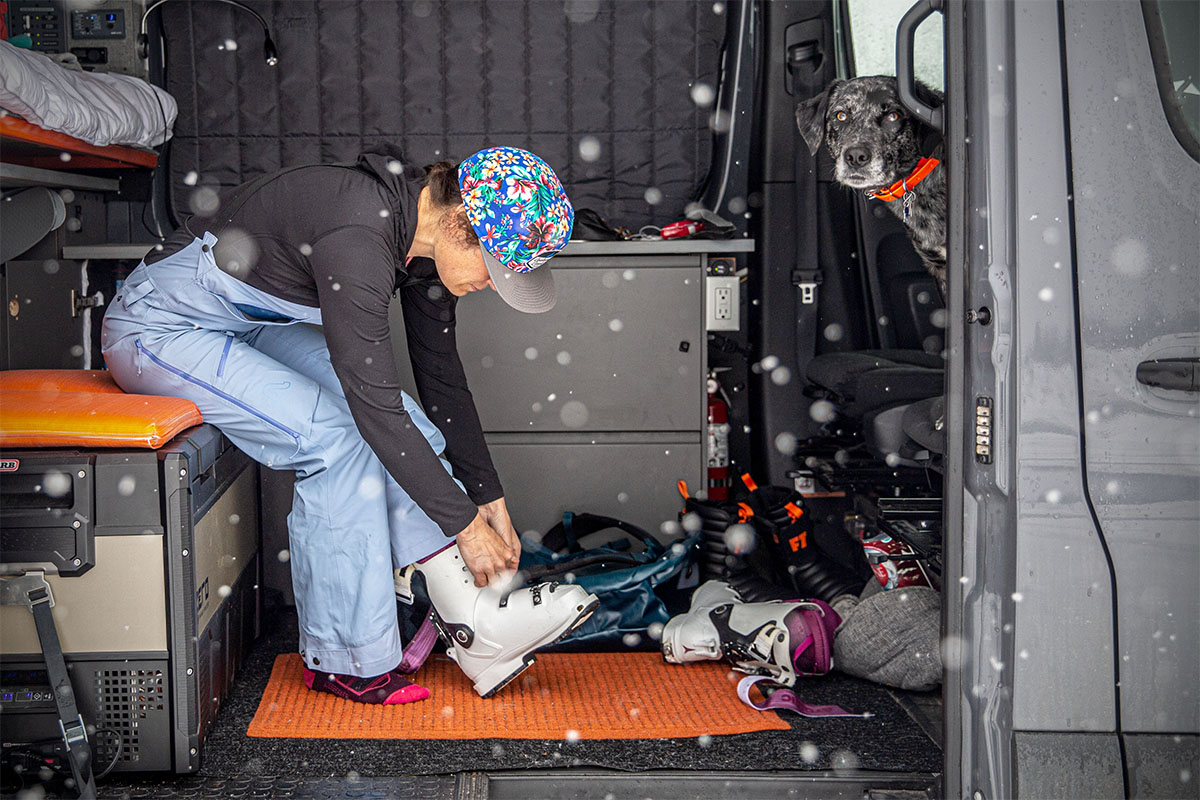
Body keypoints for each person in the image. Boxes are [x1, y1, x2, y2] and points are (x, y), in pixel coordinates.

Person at [101, 146, 598, 703]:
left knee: (414, 428)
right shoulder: (359, 236)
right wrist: (466, 530)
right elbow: (372, 408)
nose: (494, 286)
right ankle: (342, 659)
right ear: (462, 223)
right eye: (497, 269)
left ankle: (473, 626)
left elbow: (440, 379)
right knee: (336, 441)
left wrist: (488, 499)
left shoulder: (422, 245)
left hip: (246, 323)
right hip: (160, 325)